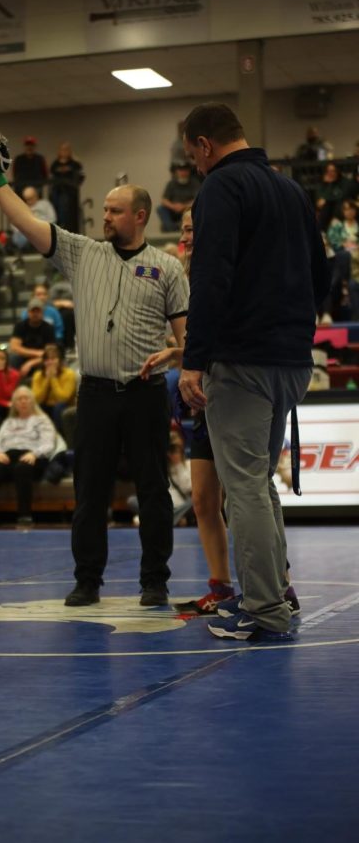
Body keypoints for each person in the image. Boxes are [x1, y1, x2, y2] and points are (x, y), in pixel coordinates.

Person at [0, 126, 188, 607]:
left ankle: (154, 579)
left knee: (153, 488)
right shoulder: (82, 252)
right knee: (90, 490)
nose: (105, 216)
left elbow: (185, 340)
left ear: (139, 215)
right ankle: (87, 579)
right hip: (93, 395)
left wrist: (179, 357)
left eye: (114, 211)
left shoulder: (167, 267)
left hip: (145, 391)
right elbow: (28, 222)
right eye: (105, 210)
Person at [178, 102, 329, 643]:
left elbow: (212, 277)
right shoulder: (289, 189)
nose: (196, 167)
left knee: (240, 487)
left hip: (242, 360)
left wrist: (194, 359)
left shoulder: (221, 188)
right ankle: (275, 590)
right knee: (257, 481)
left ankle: (263, 608)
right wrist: (294, 329)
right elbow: (322, 272)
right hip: (291, 358)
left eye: (193, 157)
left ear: (203, 146)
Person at [156, 209, 301, 616]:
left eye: (191, 228)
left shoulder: (225, 266)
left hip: (228, 386)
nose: (185, 234)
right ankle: (221, 587)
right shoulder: (186, 274)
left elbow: (222, 334)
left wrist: (182, 354)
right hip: (203, 393)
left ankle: (278, 586)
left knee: (248, 490)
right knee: (205, 498)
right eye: (182, 229)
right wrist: (178, 352)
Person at [0, 385, 59, 528]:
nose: (23, 402)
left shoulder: (42, 420)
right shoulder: (8, 422)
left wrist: (34, 453)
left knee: (22, 469)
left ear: (32, 401)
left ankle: (25, 515)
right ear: (14, 403)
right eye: (19, 399)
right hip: (9, 457)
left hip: (34, 457)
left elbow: (49, 443)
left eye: (26, 398)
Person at [31, 343, 77, 432]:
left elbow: (63, 398)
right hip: (45, 404)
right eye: (47, 359)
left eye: (53, 359)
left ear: (59, 360)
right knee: (36, 406)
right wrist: (47, 379)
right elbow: (37, 399)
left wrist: (53, 378)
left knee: (59, 406)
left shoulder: (69, 374)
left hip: (64, 406)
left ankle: (58, 434)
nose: (50, 362)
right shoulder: (38, 375)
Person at [8, 296, 56, 377]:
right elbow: (14, 347)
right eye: (33, 311)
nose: (35, 314)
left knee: (50, 360)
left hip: (41, 359)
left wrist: (30, 363)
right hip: (24, 357)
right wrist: (37, 353)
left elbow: (50, 353)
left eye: (38, 311)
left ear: (42, 313)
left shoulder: (49, 328)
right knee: (13, 358)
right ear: (28, 312)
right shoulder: (20, 326)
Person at [49, 142, 84, 233]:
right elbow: (52, 174)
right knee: (57, 209)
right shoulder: (55, 164)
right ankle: (59, 225)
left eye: (66, 150)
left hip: (70, 193)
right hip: (57, 191)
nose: (64, 152)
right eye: (62, 150)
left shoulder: (74, 163)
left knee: (68, 212)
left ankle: (66, 227)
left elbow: (80, 174)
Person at [157, 161, 201, 232]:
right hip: (173, 210)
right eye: (180, 170)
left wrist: (183, 206)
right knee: (160, 209)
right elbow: (164, 200)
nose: (183, 172)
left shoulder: (194, 183)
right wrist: (173, 206)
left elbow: (198, 199)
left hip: (187, 209)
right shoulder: (171, 183)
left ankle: (179, 226)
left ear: (189, 171)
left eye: (185, 170)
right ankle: (171, 227)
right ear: (176, 171)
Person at [10, 187, 56, 252]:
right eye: (27, 199)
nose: (29, 201)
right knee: (17, 237)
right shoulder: (22, 207)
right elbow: (14, 224)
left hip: (42, 229)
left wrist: (39, 225)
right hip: (26, 231)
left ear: (36, 196)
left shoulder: (45, 204)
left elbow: (52, 219)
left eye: (31, 198)